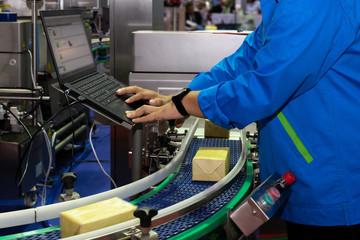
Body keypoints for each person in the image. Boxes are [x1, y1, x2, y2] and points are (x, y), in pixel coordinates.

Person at [117, 0, 360, 238]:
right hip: (310, 164)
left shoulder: (315, 4)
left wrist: (186, 104)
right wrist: (181, 98)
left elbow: (262, 88)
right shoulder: (285, 4)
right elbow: (244, 61)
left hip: (331, 177)